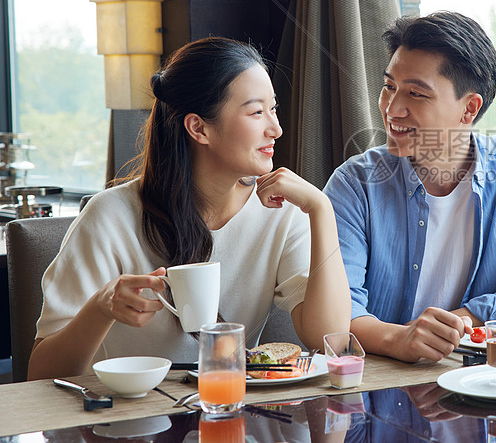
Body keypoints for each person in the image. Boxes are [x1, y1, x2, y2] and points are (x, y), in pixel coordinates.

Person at [28, 37, 350, 380]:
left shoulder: (280, 213)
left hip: (230, 414)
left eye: (273, 109)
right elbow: (41, 375)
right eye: (257, 112)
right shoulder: (109, 217)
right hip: (131, 425)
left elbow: (331, 340)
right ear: (199, 127)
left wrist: (321, 208)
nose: (276, 128)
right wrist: (101, 308)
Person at [323, 11, 496, 363]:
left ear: (469, 108)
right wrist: (400, 339)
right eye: (389, 86)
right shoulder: (355, 184)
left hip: (480, 383)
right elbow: (336, 313)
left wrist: (454, 325)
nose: (392, 108)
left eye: (416, 94)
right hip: (377, 388)